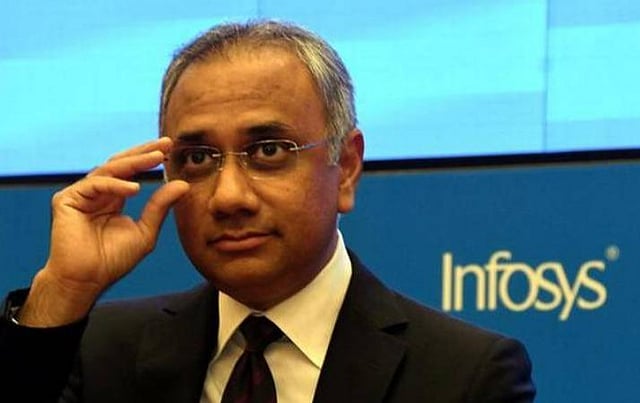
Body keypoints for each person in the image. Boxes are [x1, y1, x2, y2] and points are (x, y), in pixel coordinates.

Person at [0, 20, 535, 402]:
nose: (229, 197)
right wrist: (62, 291)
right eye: (198, 158)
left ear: (346, 168)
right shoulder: (100, 354)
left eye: (269, 151)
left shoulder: (464, 376)